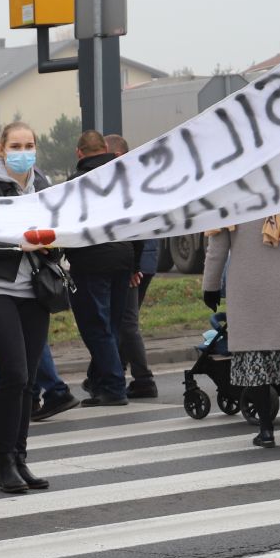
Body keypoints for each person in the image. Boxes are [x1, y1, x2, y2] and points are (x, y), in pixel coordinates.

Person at [0, 121, 55, 494]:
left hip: (34, 288)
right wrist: (18, 246)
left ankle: (20, 458)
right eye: (16, 144)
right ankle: (5, 462)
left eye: (30, 144)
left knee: (30, 379)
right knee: (14, 373)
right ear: (0, 149)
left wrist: (55, 242)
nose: (24, 151)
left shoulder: (44, 185)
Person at [202, 218, 280, 449]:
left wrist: (210, 287)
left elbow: (217, 248)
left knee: (254, 359)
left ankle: (266, 431)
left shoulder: (231, 201)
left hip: (248, 287)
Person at [66, 130, 141, 406]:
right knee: (110, 324)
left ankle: (114, 386)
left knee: (96, 327)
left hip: (90, 261)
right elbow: (137, 224)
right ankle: (98, 381)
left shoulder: (75, 183)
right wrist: (134, 263)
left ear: (79, 153)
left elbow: (67, 225)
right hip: (122, 259)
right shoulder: (123, 179)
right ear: (106, 150)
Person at [104, 134, 157, 399]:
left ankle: (143, 379)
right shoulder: (137, 178)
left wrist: (132, 267)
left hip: (135, 261)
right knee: (123, 321)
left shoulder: (126, 182)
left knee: (126, 322)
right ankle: (118, 371)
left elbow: (134, 230)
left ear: (116, 155)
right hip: (141, 258)